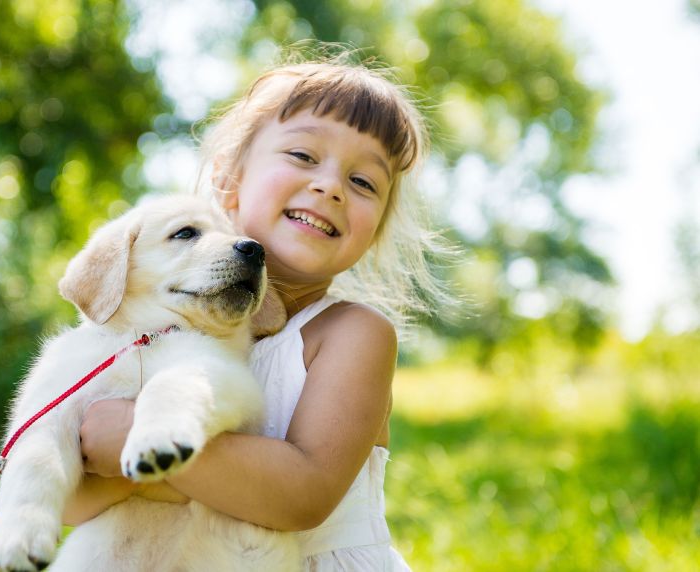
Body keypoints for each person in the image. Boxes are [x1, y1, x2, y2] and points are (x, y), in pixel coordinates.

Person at [64, 49, 446, 571]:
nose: (330, 186)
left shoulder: (353, 333)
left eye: (362, 183)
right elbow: (72, 503)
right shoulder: (168, 324)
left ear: (375, 228)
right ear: (229, 180)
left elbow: (302, 494)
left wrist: (141, 435)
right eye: (304, 157)